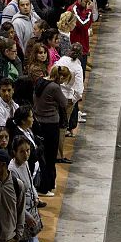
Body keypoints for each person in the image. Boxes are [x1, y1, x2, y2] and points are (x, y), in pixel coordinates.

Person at [32, 65, 71, 196]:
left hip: (38, 122)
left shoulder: (41, 82)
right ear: (60, 77)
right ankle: (45, 187)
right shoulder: (54, 87)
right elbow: (64, 103)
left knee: (42, 155)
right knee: (50, 156)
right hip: (50, 124)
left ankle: (45, 183)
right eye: (65, 79)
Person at [8, 136, 42, 242]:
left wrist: (36, 196)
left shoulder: (25, 163)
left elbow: (30, 182)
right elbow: (15, 199)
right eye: (22, 151)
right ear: (14, 152)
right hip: (22, 215)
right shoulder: (12, 170)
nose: (26, 154)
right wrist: (26, 216)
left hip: (31, 207)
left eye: (28, 150)